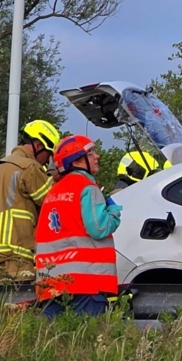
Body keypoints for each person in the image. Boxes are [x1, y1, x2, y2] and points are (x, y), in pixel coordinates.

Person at [35, 134, 122, 319]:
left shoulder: (54, 192)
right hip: (86, 283)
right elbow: (99, 228)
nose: (97, 156)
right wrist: (113, 212)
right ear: (77, 161)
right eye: (91, 153)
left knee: (57, 344)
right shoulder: (87, 187)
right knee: (87, 342)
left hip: (51, 285)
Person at [0, 120, 59, 285]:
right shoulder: (30, 168)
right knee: (17, 307)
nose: (47, 162)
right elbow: (53, 202)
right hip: (13, 258)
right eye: (48, 155)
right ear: (39, 145)